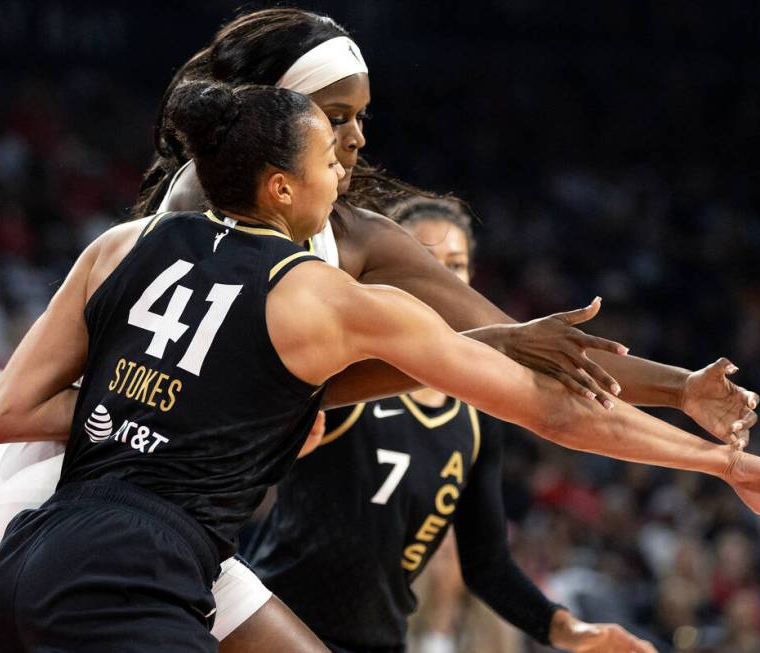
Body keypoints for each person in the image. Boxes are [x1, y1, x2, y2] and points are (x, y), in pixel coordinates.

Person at [0, 80, 760, 653]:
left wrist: (150, 411)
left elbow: (6, 413)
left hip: (27, 561)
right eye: (332, 155)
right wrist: (723, 462)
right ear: (282, 185)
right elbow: (554, 409)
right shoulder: (324, 298)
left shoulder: (121, 244)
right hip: (134, 577)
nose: (346, 171)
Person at [144, 7, 760, 449]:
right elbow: (227, 385)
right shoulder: (196, 205)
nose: (358, 136)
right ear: (274, 122)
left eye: (361, 115)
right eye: (337, 117)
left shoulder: (362, 239)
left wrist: (681, 388)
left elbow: (534, 351)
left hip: (193, 511)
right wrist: (466, 352)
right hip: (108, 477)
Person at [245, 196, 652, 653]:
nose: (436, 283)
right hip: (278, 624)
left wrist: (569, 630)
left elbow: (487, 563)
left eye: (452, 268)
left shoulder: (477, 416)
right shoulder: (349, 373)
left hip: (379, 641)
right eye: (422, 265)